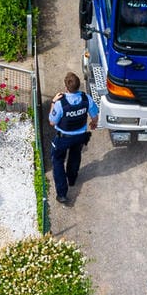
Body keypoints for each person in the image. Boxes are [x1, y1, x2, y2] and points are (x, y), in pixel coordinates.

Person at [48, 72, 98, 203]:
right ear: (79, 86)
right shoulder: (86, 98)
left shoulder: (60, 103)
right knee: (75, 156)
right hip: (80, 136)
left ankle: (62, 194)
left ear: (66, 87)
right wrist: (93, 123)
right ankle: (71, 178)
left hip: (63, 138)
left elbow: (52, 122)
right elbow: (94, 116)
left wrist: (53, 102)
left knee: (58, 161)